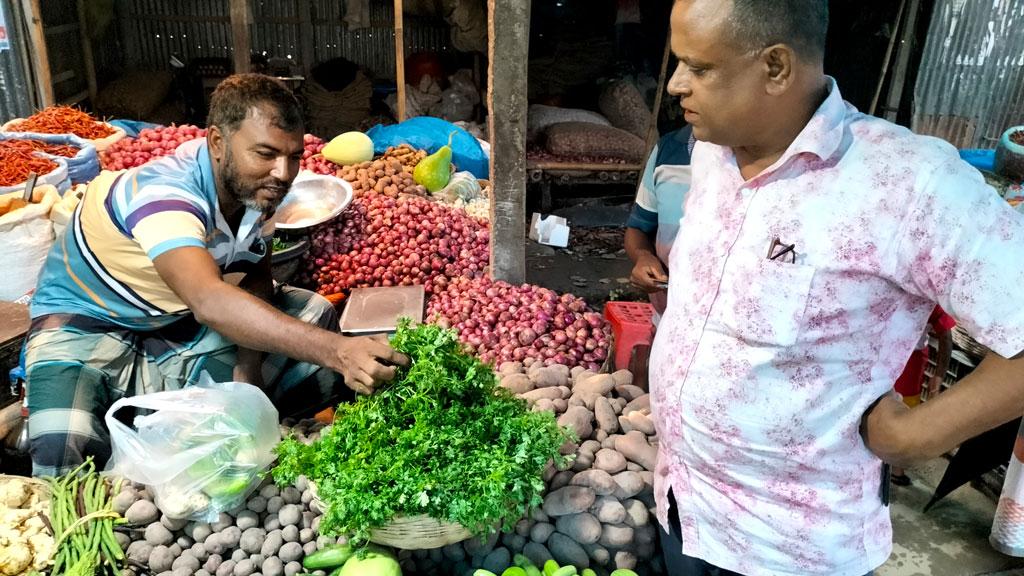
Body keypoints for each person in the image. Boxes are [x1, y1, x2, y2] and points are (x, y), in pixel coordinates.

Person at [648, 1, 1024, 575]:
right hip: (684, 506)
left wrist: (917, 439)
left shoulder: (908, 183)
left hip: (791, 549)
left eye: (699, 68)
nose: (676, 84)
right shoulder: (711, 154)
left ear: (775, 67)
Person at [25, 74, 408, 477]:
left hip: (173, 324)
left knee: (311, 313)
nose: (283, 172)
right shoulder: (165, 194)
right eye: (265, 153)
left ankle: (192, 426)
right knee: (62, 460)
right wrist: (339, 350)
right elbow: (209, 300)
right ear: (218, 142)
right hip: (87, 326)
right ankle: (136, 420)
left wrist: (249, 368)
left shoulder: (256, 191)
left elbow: (256, 274)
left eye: (293, 156)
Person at [625, 125, 694, 325]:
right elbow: (638, 228)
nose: (679, 91)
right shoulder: (667, 150)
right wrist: (643, 257)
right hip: (666, 317)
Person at [890, 305, 955, 486]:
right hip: (885, 354)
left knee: (904, 414)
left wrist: (939, 375)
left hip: (911, 360)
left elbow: (946, 335)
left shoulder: (930, 300)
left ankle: (896, 467)